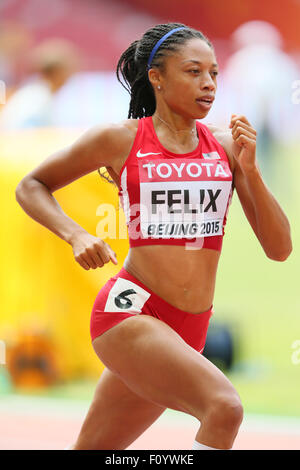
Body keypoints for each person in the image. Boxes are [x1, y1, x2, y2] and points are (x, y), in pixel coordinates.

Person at [15, 23, 292, 450]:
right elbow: (31, 184)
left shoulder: (226, 147)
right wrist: (75, 235)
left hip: (190, 328)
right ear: (157, 78)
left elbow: (279, 249)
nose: (208, 84)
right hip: (131, 314)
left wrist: (251, 171)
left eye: (214, 73)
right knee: (225, 408)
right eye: (193, 71)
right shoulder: (119, 139)